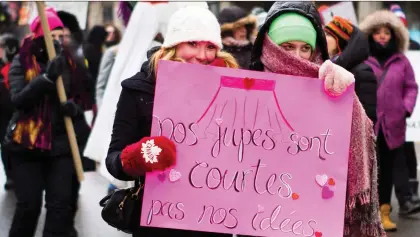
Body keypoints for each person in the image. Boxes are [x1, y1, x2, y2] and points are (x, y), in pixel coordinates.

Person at [249, 2, 385, 237]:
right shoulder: (248, 85)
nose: (297, 57)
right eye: (287, 46)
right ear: (270, 45)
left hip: (315, 214)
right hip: (258, 213)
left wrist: (345, 98)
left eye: (305, 48)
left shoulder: (329, 84)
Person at [105, 5, 237, 237]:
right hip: (158, 220)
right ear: (174, 44)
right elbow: (114, 159)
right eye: (193, 43)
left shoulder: (232, 90)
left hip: (213, 221)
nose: (202, 55)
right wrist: (139, 156)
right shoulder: (138, 89)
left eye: (210, 47)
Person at [4, 8, 93, 237]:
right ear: (37, 35)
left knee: (59, 208)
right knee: (29, 206)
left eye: (59, 36)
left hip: (61, 145)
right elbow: (19, 100)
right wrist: (45, 79)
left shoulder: (71, 61)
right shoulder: (21, 61)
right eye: (50, 36)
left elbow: (84, 96)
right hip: (27, 145)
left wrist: (74, 107)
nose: (56, 41)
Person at [360, 9, 420, 232]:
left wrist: (405, 108)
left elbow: (411, 87)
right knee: (368, 171)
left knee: (387, 169)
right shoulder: (363, 59)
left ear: (394, 35)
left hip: (393, 125)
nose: (382, 36)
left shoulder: (401, 61)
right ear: (370, 35)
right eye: (377, 32)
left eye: (386, 32)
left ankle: (384, 212)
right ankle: (368, 213)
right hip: (368, 124)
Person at [389, 3, 420, 203]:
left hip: (408, 111)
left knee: (407, 149)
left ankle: (411, 190)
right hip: (390, 109)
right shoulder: (383, 48)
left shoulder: (416, 48)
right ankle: (399, 196)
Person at [324, 16, 377, 123]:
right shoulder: (325, 66)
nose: (324, 37)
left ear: (340, 41)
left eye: (329, 35)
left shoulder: (362, 72)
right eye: (324, 33)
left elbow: (367, 117)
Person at [0, 33, 19, 191]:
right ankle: (11, 176)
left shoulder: (19, 64)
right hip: (2, 114)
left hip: (16, 111)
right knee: (5, 145)